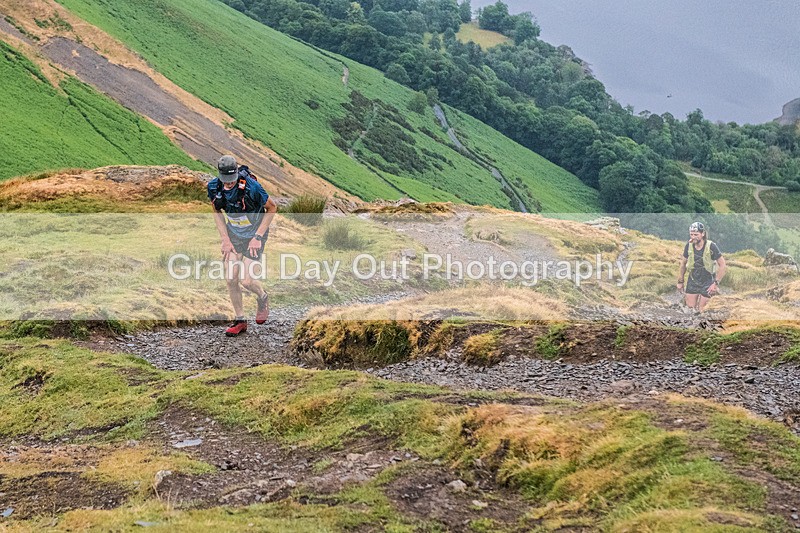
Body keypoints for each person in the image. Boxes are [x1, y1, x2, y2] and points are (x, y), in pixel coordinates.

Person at [208, 155, 277, 336]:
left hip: (255, 235)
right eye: (226, 181)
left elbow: (272, 208)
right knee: (231, 278)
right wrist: (225, 239)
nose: (229, 184)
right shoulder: (214, 187)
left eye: (232, 180)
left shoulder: (252, 187)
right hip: (234, 235)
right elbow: (216, 210)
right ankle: (240, 321)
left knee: (246, 281)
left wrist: (258, 236)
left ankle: (262, 297)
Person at [677, 222, 727, 312]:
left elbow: (722, 265)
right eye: (691, 234)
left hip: (708, 279)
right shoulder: (688, 246)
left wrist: (715, 284)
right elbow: (683, 264)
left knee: (702, 310)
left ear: (703, 234)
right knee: (690, 309)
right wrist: (680, 281)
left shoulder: (711, 246)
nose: (693, 237)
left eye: (696, 234)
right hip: (693, 279)